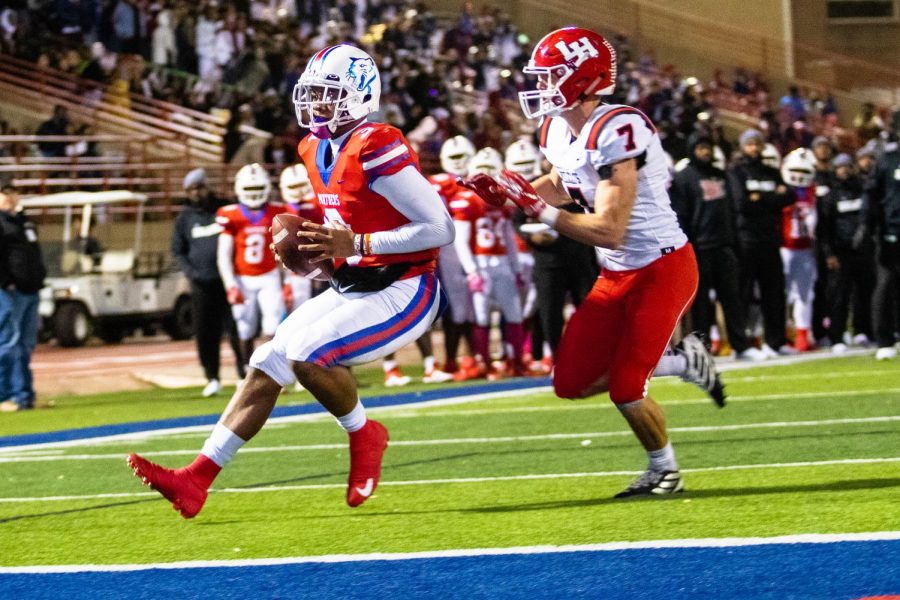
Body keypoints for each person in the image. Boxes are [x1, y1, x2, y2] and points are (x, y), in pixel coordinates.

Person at [128, 43, 454, 517]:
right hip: (354, 283)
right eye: (313, 93)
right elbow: (345, 222)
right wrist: (321, 255)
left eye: (329, 94)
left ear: (360, 96)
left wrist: (357, 245)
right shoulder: (313, 146)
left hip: (406, 286)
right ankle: (195, 478)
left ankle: (366, 434)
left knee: (309, 353)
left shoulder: (376, 144)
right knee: (267, 359)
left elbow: (440, 227)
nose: (317, 104)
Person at [462, 27, 723, 498]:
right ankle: (683, 361)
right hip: (616, 272)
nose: (541, 86)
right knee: (569, 382)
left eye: (551, 75)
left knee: (625, 386)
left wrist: (535, 209)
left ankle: (664, 471)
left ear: (584, 78)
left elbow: (609, 228)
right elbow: (564, 183)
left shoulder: (620, 127)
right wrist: (507, 196)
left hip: (662, 266)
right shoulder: (555, 128)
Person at [670, 133, 765, 361]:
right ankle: (701, 350)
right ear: (692, 149)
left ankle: (740, 346)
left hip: (724, 246)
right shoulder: (684, 178)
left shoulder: (721, 175)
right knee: (700, 302)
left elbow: (733, 210)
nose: (705, 152)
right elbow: (680, 215)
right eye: (701, 147)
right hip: (699, 248)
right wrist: (687, 247)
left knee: (732, 298)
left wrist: (735, 241)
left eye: (708, 147)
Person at [452, 147, 528, 379]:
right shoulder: (465, 200)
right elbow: (461, 240)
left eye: (489, 170)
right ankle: (484, 363)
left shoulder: (501, 200)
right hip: (482, 265)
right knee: (482, 316)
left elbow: (508, 239)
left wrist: (515, 269)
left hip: (502, 262)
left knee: (514, 313)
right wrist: (472, 271)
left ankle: (516, 363)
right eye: (481, 170)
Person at [171, 168, 246, 398]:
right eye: (191, 190)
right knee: (205, 333)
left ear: (207, 187)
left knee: (238, 329)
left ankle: (245, 375)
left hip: (229, 282)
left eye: (199, 188)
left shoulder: (224, 209)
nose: (196, 193)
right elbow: (177, 251)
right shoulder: (184, 219)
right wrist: (192, 272)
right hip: (202, 286)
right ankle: (212, 377)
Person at [729, 128, 797, 356]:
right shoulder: (736, 172)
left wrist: (760, 198)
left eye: (757, 144)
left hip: (770, 238)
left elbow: (789, 196)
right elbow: (743, 205)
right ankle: (743, 344)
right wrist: (772, 198)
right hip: (746, 240)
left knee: (774, 292)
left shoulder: (771, 170)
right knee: (744, 294)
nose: (754, 148)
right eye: (749, 144)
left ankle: (775, 342)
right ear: (742, 147)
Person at [216, 163, 286, 365]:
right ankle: (247, 370)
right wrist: (230, 285)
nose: (253, 194)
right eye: (249, 189)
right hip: (242, 277)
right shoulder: (230, 215)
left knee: (272, 326)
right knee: (244, 327)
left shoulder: (277, 211)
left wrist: (287, 280)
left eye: (257, 189)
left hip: (269, 275)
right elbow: (223, 254)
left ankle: (273, 370)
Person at [818, 154, 873, 352]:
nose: (845, 170)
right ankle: (837, 336)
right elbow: (823, 229)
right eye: (840, 167)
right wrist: (829, 253)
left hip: (864, 251)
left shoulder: (863, 191)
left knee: (865, 293)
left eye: (848, 166)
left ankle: (863, 330)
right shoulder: (830, 196)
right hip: (841, 252)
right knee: (838, 296)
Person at [0, 176, 47, 412]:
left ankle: (25, 396)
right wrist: (6, 283)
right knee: (8, 343)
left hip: (30, 289)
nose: (9, 197)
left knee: (25, 345)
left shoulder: (23, 222)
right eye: (3, 192)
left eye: (11, 192)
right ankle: (4, 396)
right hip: (10, 291)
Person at [862, 110, 900, 360]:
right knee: (885, 285)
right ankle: (884, 339)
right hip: (891, 233)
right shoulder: (887, 159)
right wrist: (866, 226)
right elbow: (871, 194)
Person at [779, 148, 819, 352]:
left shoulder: (813, 191)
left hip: (806, 248)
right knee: (782, 294)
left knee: (805, 294)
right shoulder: (781, 189)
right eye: (795, 169)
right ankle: (781, 334)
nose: (799, 174)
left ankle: (803, 334)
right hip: (784, 248)